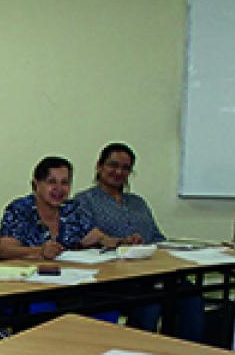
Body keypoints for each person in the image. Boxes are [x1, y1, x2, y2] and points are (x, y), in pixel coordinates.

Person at [74, 143, 204, 340]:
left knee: (191, 295)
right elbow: (84, 240)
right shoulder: (84, 200)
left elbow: (157, 238)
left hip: (152, 272)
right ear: (99, 166)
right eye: (113, 165)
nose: (118, 172)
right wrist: (120, 242)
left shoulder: (137, 202)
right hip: (115, 280)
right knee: (150, 304)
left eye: (125, 168)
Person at [0, 156, 120, 260]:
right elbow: (5, 250)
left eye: (65, 183)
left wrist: (120, 242)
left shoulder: (71, 209)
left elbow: (95, 236)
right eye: (52, 182)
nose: (59, 188)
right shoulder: (19, 209)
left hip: (68, 277)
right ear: (35, 184)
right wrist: (40, 252)